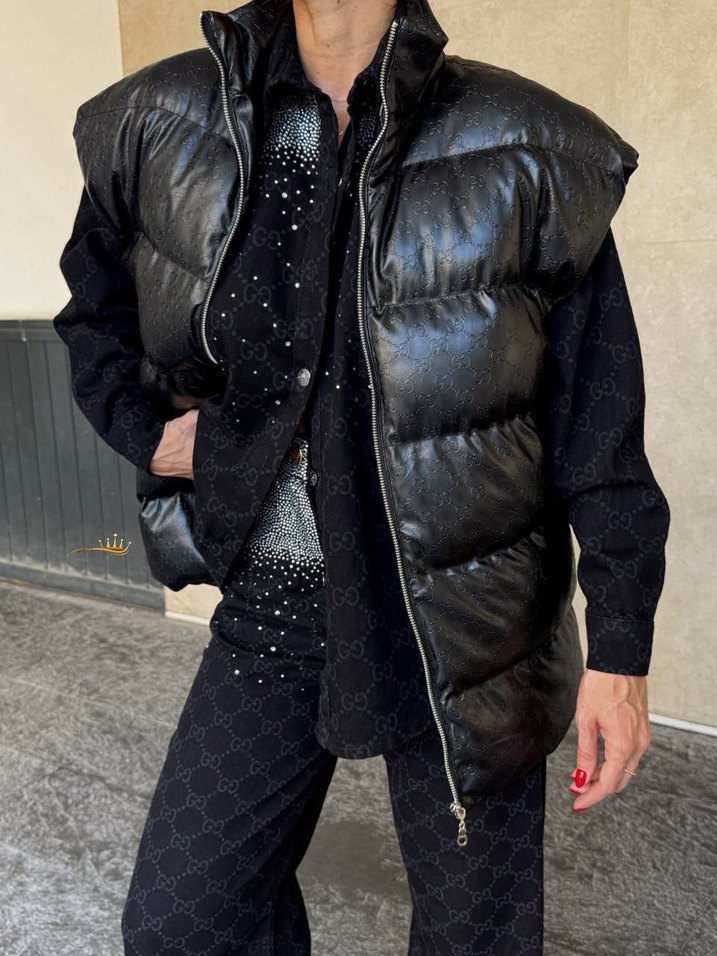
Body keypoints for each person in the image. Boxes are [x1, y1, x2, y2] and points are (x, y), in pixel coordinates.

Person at [53, 0, 670, 952]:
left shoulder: (529, 148)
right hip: (274, 595)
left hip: (463, 625)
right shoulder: (161, 121)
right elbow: (93, 315)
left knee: (473, 936)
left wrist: (620, 653)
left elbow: (599, 420)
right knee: (184, 923)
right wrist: (155, 435)